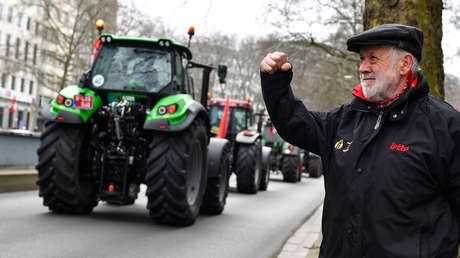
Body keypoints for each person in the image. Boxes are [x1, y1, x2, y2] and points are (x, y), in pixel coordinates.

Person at [260, 24, 460, 258]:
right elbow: (294, 123)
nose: (363, 68)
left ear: (405, 64)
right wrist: (275, 83)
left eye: (373, 58)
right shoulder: (345, 119)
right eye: (362, 59)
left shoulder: (445, 127)